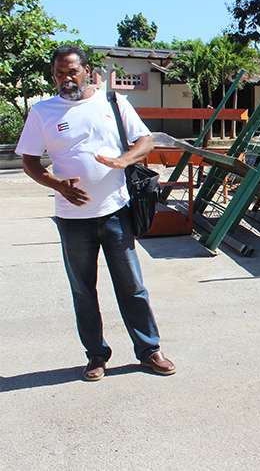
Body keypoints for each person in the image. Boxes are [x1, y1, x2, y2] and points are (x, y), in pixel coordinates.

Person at [15, 44, 175, 381]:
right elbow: (29, 161)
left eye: (72, 71)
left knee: (132, 286)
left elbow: (144, 141)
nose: (66, 79)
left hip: (115, 212)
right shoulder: (43, 112)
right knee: (83, 291)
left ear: (87, 71)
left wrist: (123, 160)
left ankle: (149, 350)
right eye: (59, 73)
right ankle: (96, 356)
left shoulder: (113, 103)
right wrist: (58, 185)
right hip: (72, 221)